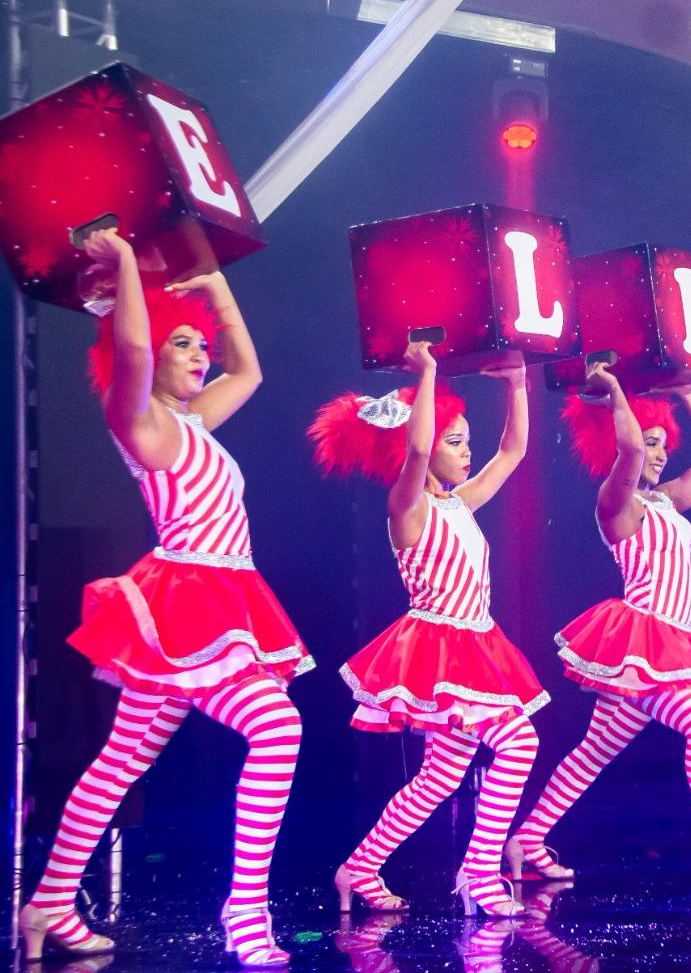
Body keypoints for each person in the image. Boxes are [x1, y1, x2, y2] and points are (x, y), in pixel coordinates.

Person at [22, 229, 308, 966]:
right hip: (188, 600)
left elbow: (248, 371)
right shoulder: (138, 419)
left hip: (220, 596)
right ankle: (244, 909)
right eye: (182, 344)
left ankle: (49, 901)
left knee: (119, 761)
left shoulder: (193, 422)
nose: (199, 354)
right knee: (277, 728)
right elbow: (131, 353)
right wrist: (126, 265)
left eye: (199, 345)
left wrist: (215, 290)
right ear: (151, 347)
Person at [309, 341, 545, 918]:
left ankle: (358, 868)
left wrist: (517, 385)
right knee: (519, 743)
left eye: (466, 440)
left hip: (476, 645)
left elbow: (513, 450)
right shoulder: (406, 507)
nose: (467, 451)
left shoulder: (461, 504)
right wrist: (430, 373)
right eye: (455, 441)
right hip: (440, 649)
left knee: (439, 776)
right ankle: (479, 873)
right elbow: (415, 447)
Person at [505, 364, 691, 883]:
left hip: (672, 643)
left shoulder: (667, 500)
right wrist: (614, 392)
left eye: (663, 445)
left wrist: (689, 395)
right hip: (643, 644)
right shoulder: (615, 504)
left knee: (592, 753)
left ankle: (527, 839)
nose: (659, 453)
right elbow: (629, 451)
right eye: (652, 443)